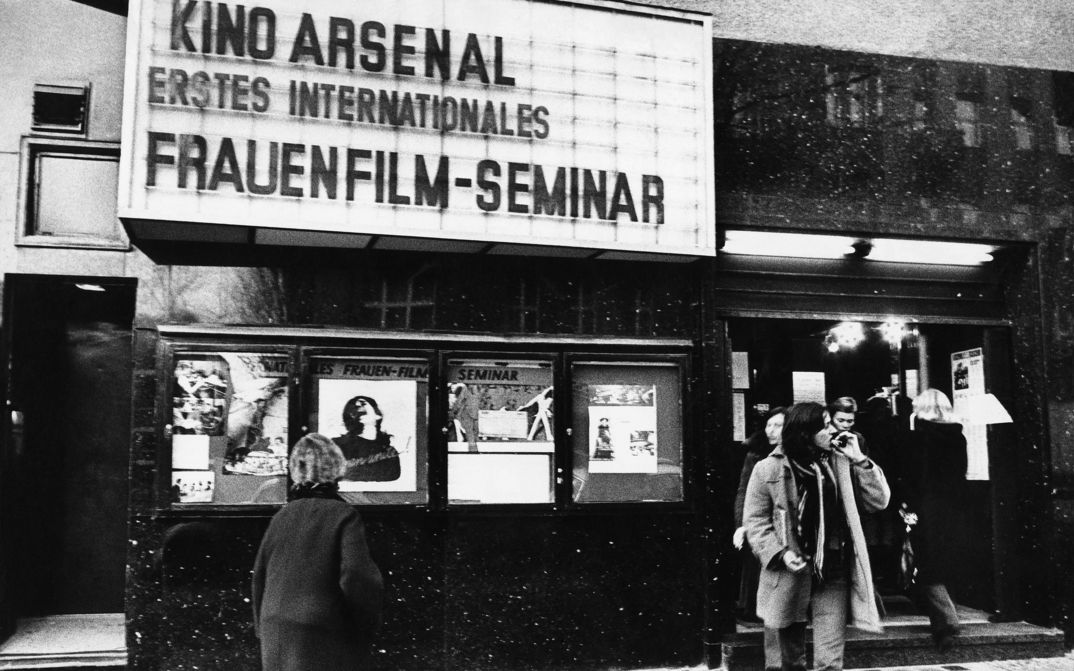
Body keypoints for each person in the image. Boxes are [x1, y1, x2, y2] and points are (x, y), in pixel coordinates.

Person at [744, 402, 890, 671]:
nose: (832, 430)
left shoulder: (841, 460)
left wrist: (860, 459)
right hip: (790, 568)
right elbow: (755, 521)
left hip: (832, 567)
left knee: (830, 660)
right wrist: (780, 552)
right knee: (787, 660)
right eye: (825, 426)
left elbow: (878, 501)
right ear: (804, 433)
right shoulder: (769, 468)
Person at [252, 433, 384, 671]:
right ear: (337, 467)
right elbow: (357, 575)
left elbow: (259, 576)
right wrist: (365, 624)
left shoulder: (282, 516)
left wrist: (262, 626)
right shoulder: (343, 515)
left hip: (274, 627)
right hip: (321, 628)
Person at [900, 388, 966, 651]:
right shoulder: (957, 437)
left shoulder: (918, 438)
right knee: (937, 562)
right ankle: (945, 619)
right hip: (950, 509)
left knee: (924, 563)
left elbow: (914, 476)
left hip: (923, 508)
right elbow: (959, 475)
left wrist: (907, 507)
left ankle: (946, 621)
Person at [732, 406, 786, 670]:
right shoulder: (756, 454)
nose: (771, 431)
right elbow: (744, 491)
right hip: (765, 526)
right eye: (769, 425)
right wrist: (742, 525)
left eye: (778, 426)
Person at [332, 396, 401, 482]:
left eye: (363, 404)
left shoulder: (389, 452)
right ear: (351, 415)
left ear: (377, 415)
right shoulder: (336, 446)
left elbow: (393, 475)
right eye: (354, 408)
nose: (359, 407)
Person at [449, 382, 480, 450]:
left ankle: (473, 448)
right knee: (471, 432)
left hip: (471, 414)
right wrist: (453, 411)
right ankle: (473, 449)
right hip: (469, 414)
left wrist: (453, 411)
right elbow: (459, 401)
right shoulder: (468, 390)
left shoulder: (472, 391)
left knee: (473, 432)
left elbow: (459, 402)